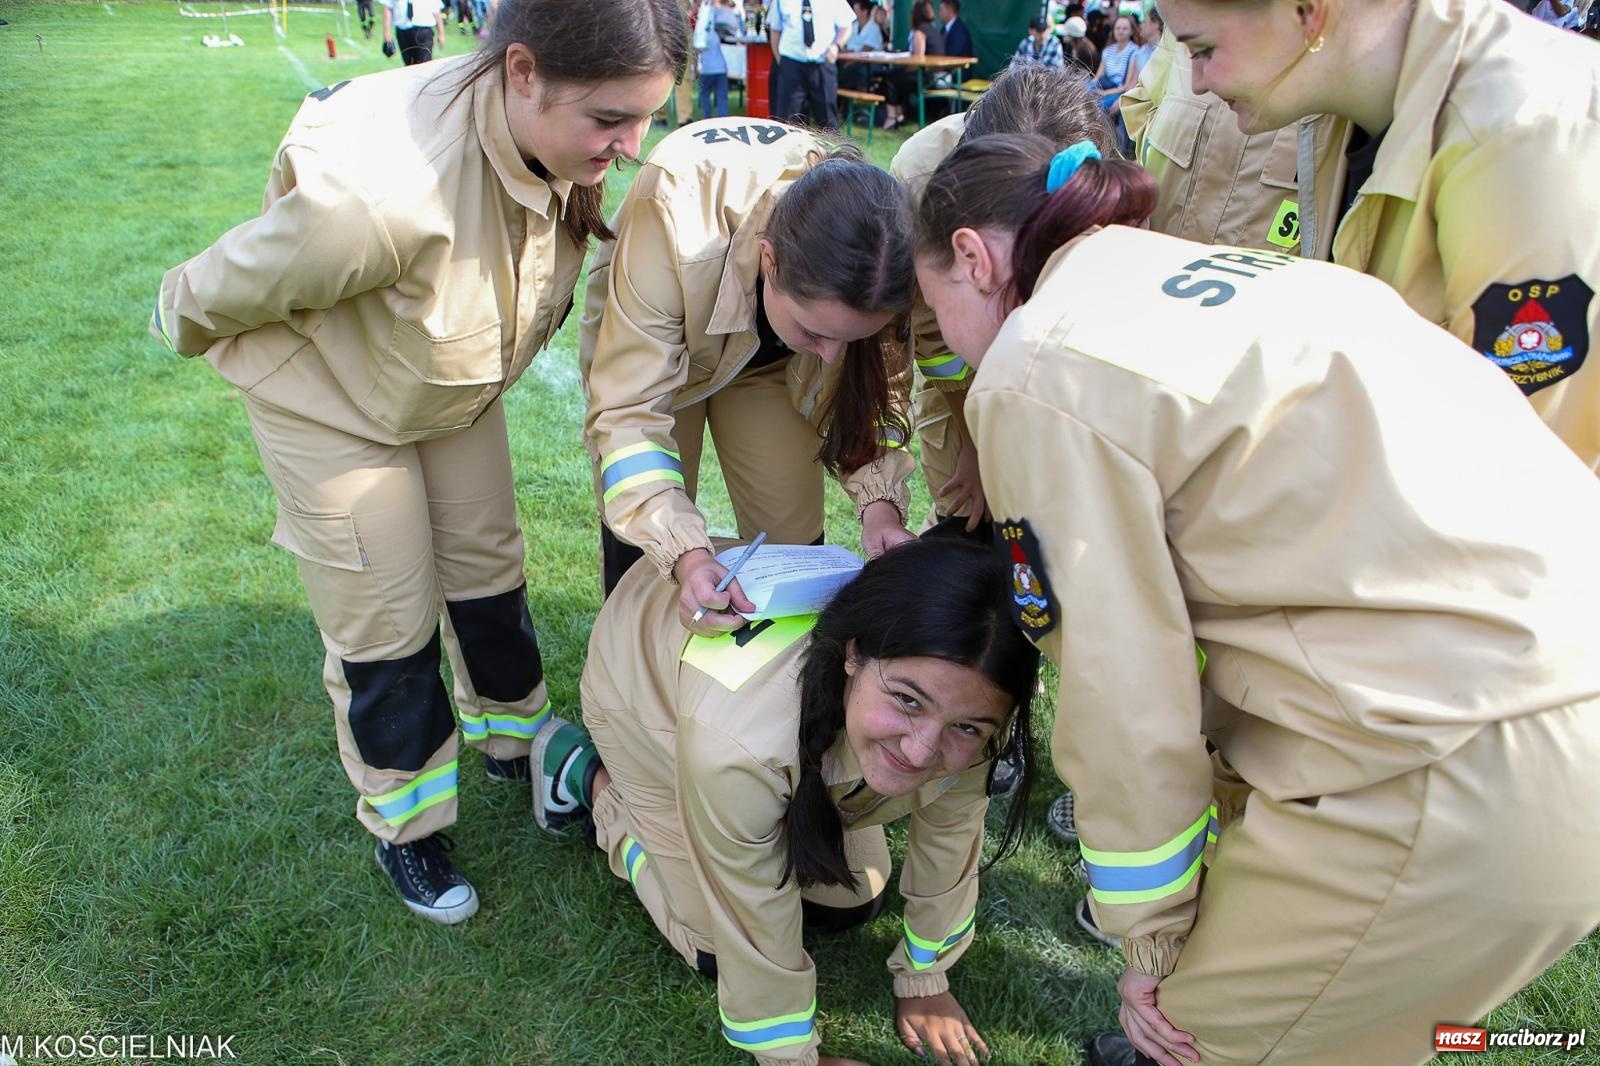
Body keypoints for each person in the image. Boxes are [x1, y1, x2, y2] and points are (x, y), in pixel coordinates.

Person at [912, 131, 1600, 1066]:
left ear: (970, 257)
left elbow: (1121, 694)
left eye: (932, 306)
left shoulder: (1038, 369)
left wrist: (1151, 938)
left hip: (1455, 757)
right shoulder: (1242, 275)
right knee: (1372, 1031)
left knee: (1197, 1033)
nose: (944, 344)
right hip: (1535, 689)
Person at [149, 0, 689, 924]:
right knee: (385, 619)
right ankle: (408, 828)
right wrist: (178, 315)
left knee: (487, 564)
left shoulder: (545, 136)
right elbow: (214, 289)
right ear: (522, 72)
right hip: (329, 402)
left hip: (442, 382)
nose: (632, 146)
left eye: (646, 116)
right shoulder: (379, 196)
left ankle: (513, 745)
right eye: (609, 120)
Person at [529, 536, 1042, 1066]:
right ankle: (588, 780)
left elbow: (950, 846)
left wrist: (926, 979)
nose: (921, 750)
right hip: (644, 695)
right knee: (713, 947)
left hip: (770, 728)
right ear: (854, 655)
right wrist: (796, 1059)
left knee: (857, 899)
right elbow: (749, 916)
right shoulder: (736, 748)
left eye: (964, 727)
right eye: (908, 700)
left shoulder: (973, 712)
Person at [1159, 0, 1600, 471]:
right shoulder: (1329, 100)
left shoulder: (1523, 135)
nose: (1196, 81)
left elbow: (1531, 473)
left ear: (1306, 12)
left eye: (1203, 49)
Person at [577, 117, 918, 625]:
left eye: (852, 338)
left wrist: (880, 507)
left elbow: (876, 393)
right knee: (648, 550)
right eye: (816, 332)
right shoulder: (674, 210)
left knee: (793, 544)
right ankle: (633, 679)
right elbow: (629, 417)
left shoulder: (878, 253)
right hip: (667, 357)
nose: (831, 356)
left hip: (771, 368)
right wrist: (687, 556)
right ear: (770, 260)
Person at [891, 66, 1116, 540]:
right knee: (968, 522)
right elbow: (934, 336)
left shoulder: (1095, 192)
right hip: (964, 387)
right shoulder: (919, 179)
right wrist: (975, 442)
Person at [768, 0, 855, 129]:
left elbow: (846, 26)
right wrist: (781, 60)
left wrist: (836, 45)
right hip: (792, 63)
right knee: (787, 121)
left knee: (828, 119)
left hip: (822, 64)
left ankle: (829, 148)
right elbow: (775, 30)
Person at [880, 0, 944, 130]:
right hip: (938, 75)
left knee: (891, 78)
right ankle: (899, 115)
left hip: (927, 77)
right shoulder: (934, 30)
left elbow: (918, 59)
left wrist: (907, 69)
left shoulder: (920, 32)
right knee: (897, 75)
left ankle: (893, 117)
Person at [698, 0, 744, 118]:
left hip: (707, 67)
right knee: (722, 95)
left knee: (704, 93)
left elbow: (698, 42)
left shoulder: (705, 18)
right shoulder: (727, 18)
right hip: (722, 67)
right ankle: (722, 119)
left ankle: (707, 118)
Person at [381, 0, 447, 64]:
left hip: (423, 30)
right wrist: (386, 32)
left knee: (425, 63)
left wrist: (441, 34)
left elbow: (436, 11)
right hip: (403, 30)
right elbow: (388, 8)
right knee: (409, 63)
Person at [1126, 7, 1160, 87]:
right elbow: (1131, 85)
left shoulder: (1166, 53)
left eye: (1144, 22)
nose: (1141, 26)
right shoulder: (1140, 52)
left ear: (1156, 24)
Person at [1061, 15, 1099, 79]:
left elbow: (1086, 75)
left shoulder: (1087, 52)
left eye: (1067, 34)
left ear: (1072, 37)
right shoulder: (1070, 46)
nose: (1064, 36)